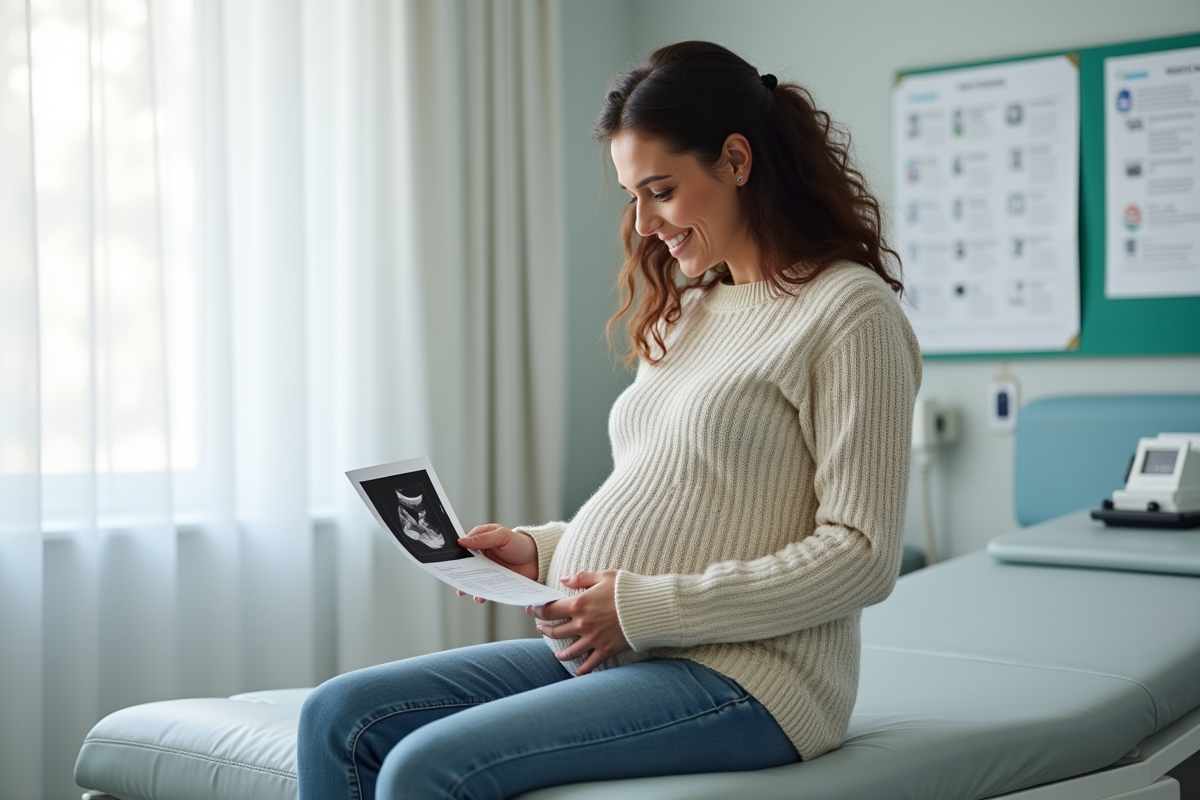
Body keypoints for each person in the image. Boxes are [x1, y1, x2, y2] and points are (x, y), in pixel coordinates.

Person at [297, 40, 921, 800]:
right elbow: (683, 505)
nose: (644, 221)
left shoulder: (849, 312)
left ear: (735, 160)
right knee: (338, 717)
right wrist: (539, 550)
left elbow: (862, 555)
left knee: (427, 767)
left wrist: (638, 608)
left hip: (752, 678)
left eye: (660, 190)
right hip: (633, 651)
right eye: (633, 196)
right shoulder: (694, 309)